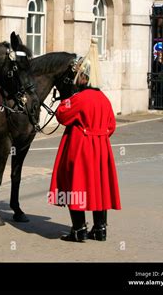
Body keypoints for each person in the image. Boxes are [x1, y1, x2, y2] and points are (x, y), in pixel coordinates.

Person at [48, 38, 121, 242]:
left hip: (80, 147)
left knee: (75, 186)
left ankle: (79, 229)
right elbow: (111, 126)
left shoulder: (80, 98)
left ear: (84, 77)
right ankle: (100, 228)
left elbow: (62, 115)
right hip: (101, 149)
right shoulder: (104, 99)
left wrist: (68, 98)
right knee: (98, 186)